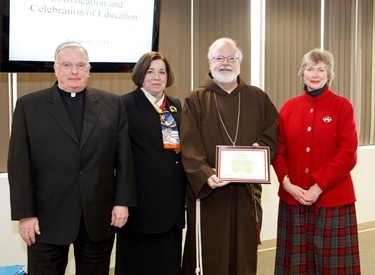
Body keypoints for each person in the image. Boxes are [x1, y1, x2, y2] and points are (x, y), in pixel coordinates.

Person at [8, 41, 137, 275]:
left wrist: (122, 203)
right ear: (56, 69)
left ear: (89, 69)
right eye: (67, 65)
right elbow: (19, 165)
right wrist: (25, 214)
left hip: (98, 217)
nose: (74, 71)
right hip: (47, 219)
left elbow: (124, 159)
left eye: (80, 65)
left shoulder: (112, 104)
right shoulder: (29, 106)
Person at [180, 37, 278, 275]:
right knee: (210, 257)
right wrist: (206, 175)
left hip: (247, 195)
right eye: (219, 58)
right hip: (211, 194)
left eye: (231, 58)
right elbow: (189, 145)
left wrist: (261, 150)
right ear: (209, 63)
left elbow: (272, 134)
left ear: (239, 63)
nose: (225, 63)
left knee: (243, 256)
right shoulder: (196, 100)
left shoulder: (258, 97)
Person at [272, 48, 361, 274]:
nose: (315, 74)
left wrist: (317, 186)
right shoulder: (288, 108)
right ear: (302, 73)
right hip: (295, 198)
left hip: (332, 199)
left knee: (333, 265)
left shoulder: (343, 106)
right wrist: (287, 184)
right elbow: (278, 152)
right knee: (297, 265)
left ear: (329, 74)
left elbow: (348, 153)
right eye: (310, 69)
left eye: (321, 69)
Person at [115, 51, 186, 275]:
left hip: (172, 203)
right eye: (150, 71)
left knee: (168, 264)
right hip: (139, 206)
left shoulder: (174, 106)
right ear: (140, 75)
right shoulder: (123, 105)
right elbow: (118, 157)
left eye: (162, 72)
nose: (157, 77)